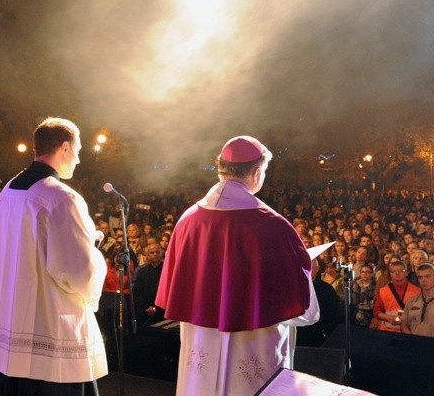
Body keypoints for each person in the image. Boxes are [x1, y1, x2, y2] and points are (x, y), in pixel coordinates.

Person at [155, 135, 319, 396]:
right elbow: (302, 306)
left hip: (201, 341)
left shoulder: (188, 220)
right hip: (253, 345)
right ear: (256, 172)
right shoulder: (273, 225)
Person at [0, 118, 107, 396]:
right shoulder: (61, 198)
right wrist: (93, 249)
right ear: (64, 148)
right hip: (49, 328)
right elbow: (79, 271)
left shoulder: (8, 190)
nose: (78, 159)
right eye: (77, 150)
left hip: (12, 321)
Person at [373, 260, 420, 332]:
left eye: (401, 271)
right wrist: (388, 317)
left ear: (406, 273)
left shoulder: (417, 291)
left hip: (409, 331)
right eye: (394, 271)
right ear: (391, 274)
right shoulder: (383, 291)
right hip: (387, 332)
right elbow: (376, 311)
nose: (397, 273)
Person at [133, 243, 165, 327]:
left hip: (162, 310)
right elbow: (137, 292)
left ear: (161, 253)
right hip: (145, 309)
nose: (155, 254)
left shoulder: (167, 271)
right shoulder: (141, 271)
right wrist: (146, 307)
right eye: (152, 252)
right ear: (147, 255)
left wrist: (155, 309)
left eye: (157, 252)